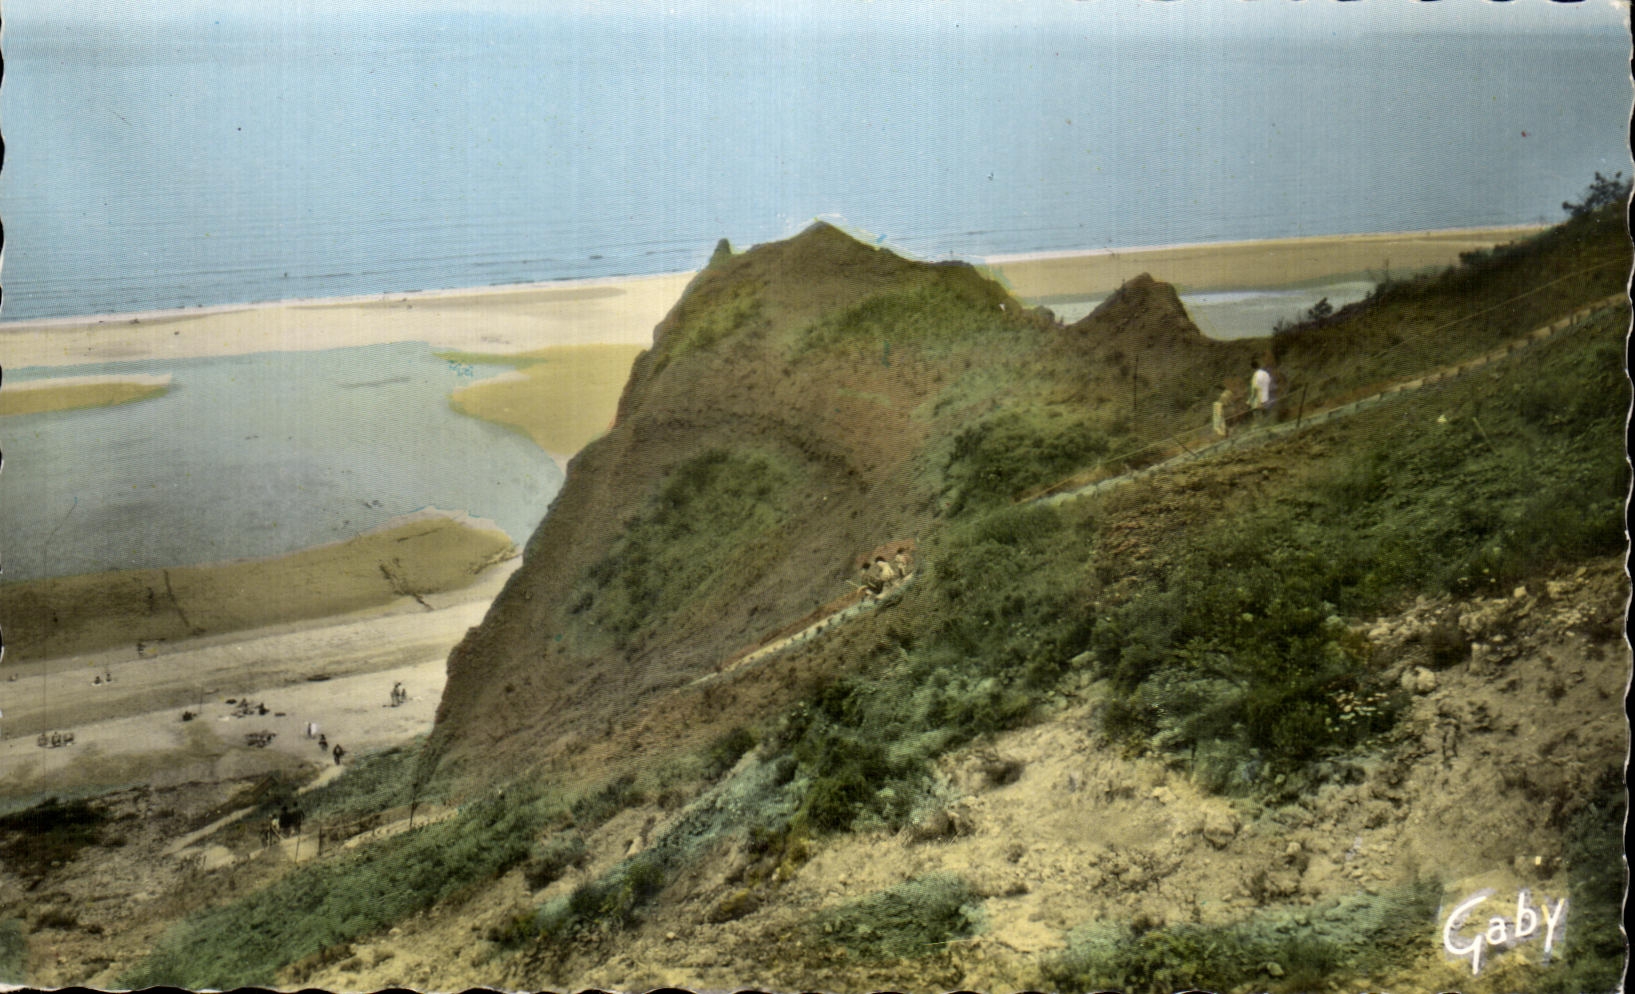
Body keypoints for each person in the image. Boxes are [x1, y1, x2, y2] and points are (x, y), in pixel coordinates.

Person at [1248, 359, 1275, 424]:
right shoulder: (1264, 373)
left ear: (1252, 368)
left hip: (1258, 396)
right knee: (1266, 411)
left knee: (1257, 412)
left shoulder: (1255, 375)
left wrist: (1251, 399)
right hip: (1266, 394)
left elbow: (1254, 388)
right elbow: (1270, 382)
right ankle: (1269, 422)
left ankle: (1260, 424)